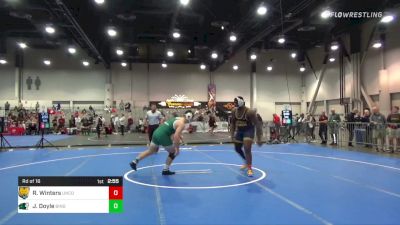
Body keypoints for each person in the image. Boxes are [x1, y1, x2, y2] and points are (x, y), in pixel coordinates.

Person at [129, 111, 193, 175]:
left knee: (151, 150)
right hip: (163, 135)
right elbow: (176, 136)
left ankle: (135, 161)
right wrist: (177, 149)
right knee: (173, 152)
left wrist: (181, 138)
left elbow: (174, 130)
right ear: (189, 118)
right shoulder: (182, 124)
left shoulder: (177, 118)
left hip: (156, 133)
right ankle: (165, 170)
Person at [230, 96, 263, 177]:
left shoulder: (250, 112)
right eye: (234, 102)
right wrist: (232, 135)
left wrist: (259, 139)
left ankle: (249, 168)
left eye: (235, 102)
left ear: (241, 102)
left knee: (247, 148)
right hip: (240, 131)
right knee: (237, 148)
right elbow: (232, 124)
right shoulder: (234, 111)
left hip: (249, 131)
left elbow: (257, 125)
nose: (234, 104)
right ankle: (246, 161)